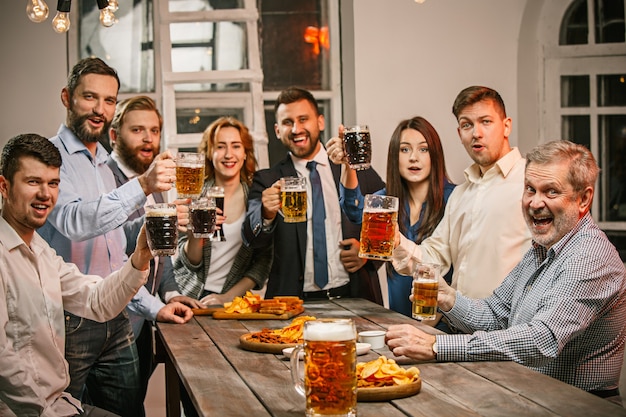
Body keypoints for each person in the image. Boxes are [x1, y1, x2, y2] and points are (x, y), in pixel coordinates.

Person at [385, 140, 626, 403]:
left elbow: (541, 340)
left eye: (551, 192)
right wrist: (449, 299)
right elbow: (495, 315)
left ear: (583, 199)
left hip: (578, 405)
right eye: (530, 190)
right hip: (530, 397)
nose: (535, 203)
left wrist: (436, 346)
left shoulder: (589, 257)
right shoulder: (541, 249)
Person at [37, 57, 186, 417]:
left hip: (117, 317)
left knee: (130, 411)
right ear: (67, 97)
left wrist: (156, 308)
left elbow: (118, 258)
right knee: (65, 413)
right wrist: (144, 185)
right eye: (90, 97)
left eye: (109, 100)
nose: (100, 109)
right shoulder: (48, 157)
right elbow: (74, 222)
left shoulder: (103, 164)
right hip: (70, 319)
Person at [0, 133, 159, 416]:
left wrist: (140, 257)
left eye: (53, 183)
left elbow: (97, 301)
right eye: (33, 182)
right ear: (4, 186)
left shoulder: (41, 252)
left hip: (61, 405)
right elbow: (4, 363)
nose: (45, 194)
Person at [391, 86, 532, 306]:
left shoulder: (531, 182)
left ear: (506, 127)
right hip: (460, 327)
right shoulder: (461, 194)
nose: (476, 133)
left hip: (508, 328)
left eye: (486, 122)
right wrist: (397, 242)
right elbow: (434, 257)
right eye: (467, 124)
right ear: (460, 133)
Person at [242, 87, 385, 302]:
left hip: (355, 297)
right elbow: (250, 239)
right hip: (292, 304)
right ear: (277, 130)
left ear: (320, 122)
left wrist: (367, 252)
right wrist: (266, 214)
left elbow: (388, 219)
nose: (296, 129)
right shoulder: (267, 180)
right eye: (287, 122)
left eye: (303, 119)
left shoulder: (351, 167)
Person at [106, 95, 201, 409]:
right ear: (113, 136)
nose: (148, 138)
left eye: (154, 130)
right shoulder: (106, 181)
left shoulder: (156, 180)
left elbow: (161, 252)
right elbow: (114, 257)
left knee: (136, 404)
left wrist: (171, 293)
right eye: (137, 130)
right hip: (113, 325)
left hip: (143, 321)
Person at [327, 116, 455, 324]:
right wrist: (348, 164)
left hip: (443, 323)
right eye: (405, 150)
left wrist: (432, 325)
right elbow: (354, 208)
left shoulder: (455, 199)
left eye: (423, 149)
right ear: (394, 157)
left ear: (436, 155)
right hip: (399, 320)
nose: (414, 157)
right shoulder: (387, 201)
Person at [174, 116, 273, 305]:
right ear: (210, 153)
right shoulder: (193, 194)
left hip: (235, 301)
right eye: (220, 146)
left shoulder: (256, 198)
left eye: (236, 146)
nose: (229, 154)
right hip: (190, 296)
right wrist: (197, 233)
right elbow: (190, 262)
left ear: (245, 153)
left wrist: (228, 297)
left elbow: (262, 263)